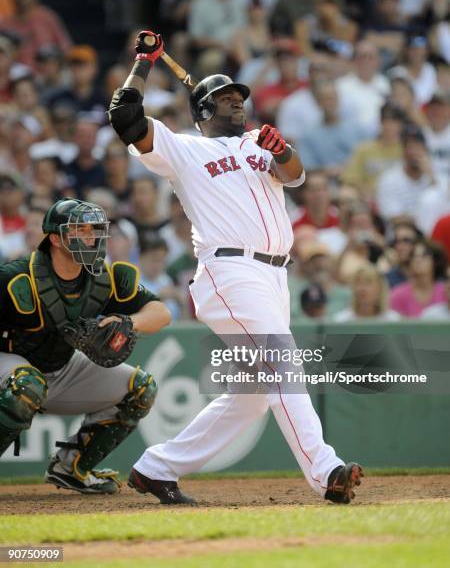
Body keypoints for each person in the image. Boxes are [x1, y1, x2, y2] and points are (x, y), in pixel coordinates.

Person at [108, 29, 363, 506]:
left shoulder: (257, 145)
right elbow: (124, 117)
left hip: (274, 276)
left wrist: (281, 149)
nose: (236, 102)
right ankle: (326, 469)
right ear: (203, 109)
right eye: (225, 98)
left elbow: (298, 176)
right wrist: (144, 61)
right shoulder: (183, 149)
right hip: (229, 272)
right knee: (283, 363)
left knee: (251, 396)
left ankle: (156, 468)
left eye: (238, 96)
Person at [0, 197, 171, 493]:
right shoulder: (16, 278)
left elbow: (161, 313)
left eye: (95, 229)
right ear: (55, 238)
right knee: (26, 385)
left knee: (141, 389)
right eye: (81, 229)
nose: (91, 236)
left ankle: (71, 468)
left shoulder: (104, 278)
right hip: (9, 363)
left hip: (60, 369)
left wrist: (129, 323)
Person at [390, 239, 447, 318]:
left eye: (424, 255)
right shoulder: (397, 295)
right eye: (414, 256)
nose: (418, 260)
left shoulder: (446, 292)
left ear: (436, 261)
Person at [333, 265, 401, 322]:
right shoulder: (342, 321)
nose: (362, 288)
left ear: (380, 289)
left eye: (368, 283)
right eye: (358, 283)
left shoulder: (392, 320)